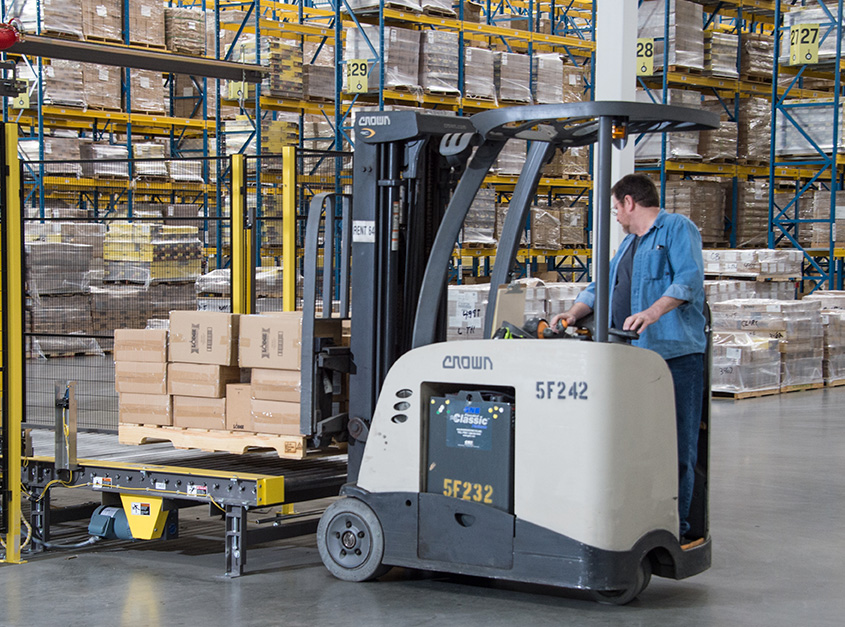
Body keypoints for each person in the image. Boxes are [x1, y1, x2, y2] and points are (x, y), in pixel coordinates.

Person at [551, 173, 706, 542]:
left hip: (673, 357)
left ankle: (675, 529)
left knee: (677, 448)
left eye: (615, 208)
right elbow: (598, 286)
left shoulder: (676, 229)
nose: (615, 216)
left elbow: (689, 280)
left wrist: (652, 313)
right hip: (630, 359)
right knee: (634, 448)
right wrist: (572, 314)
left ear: (629, 203)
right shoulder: (627, 245)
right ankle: (637, 521)